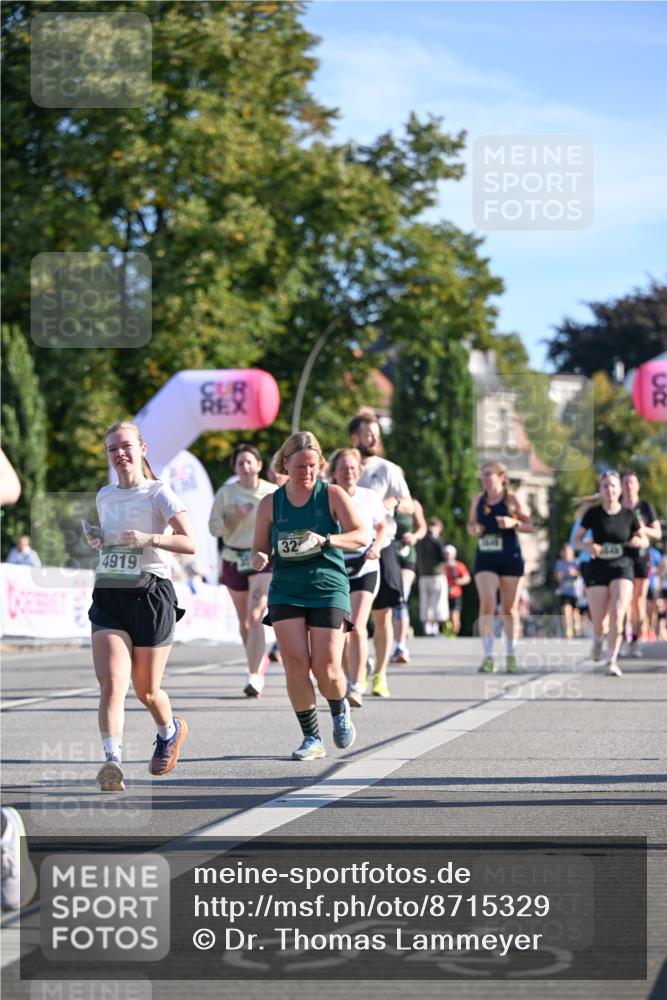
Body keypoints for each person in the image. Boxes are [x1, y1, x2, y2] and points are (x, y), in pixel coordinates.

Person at [85, 421, 196, 792]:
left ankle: (169, 729)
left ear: (142, 448)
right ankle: (112, 762)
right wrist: (101, 542)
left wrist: (150, 538)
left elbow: (190, 542)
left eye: (126, 446)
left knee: (146, 691)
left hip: (151, 594)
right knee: (112, 682)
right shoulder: (105, 496)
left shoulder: (158, 493)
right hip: (111, 591)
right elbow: (116, 543)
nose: (120, 454)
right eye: (112, 449)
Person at [251, 431, 366, 759]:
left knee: (326, 667)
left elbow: (360, 535)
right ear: (285, 463)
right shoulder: (271, 503)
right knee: (296, 664)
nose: (307, 472)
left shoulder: (331, 495)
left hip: (328, 587)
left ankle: (339, 707)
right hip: (286, 588)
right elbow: (258, 549)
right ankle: (311, 738)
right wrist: (258, 557)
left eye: (313, 466)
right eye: (300, 466)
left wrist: (327, 540)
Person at [348, 410, 409, 698]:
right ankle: (356, 671)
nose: (372, 438)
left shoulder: (388, 469)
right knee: (348, 617)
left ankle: (381, 673)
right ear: (354, 437)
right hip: (348, 548)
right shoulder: (343, 466)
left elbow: (408, 502)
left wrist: (392, 501)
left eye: (376, 434)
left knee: (383, 614)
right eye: (367, 433)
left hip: (381, 546)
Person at [209, 444, 277, 697]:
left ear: (259, 465)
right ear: (235, 468)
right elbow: (214, 528)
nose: (246, 467)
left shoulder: (272, 492)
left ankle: (254, 675)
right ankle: (258, 661)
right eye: (240, 464)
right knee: (245, 621)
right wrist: (234, 519)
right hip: (233, 557)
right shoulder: (226, 494)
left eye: (250, 462)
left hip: (263, 557)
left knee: (257, 612)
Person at [328, 447, 388, 708]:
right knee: (342, 629)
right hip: (338, 566)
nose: (348, 472)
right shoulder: (327, 496)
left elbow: (382, 525)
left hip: (366, 565)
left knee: (358, 625)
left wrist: (376, 547)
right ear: (334, 473)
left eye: (352, 468)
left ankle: (357, 684)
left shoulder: (369, 496)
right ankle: (348, 676)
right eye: (343, 468)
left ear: (358, 471)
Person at [573, 470, 644, 676]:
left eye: (613, 485)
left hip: (623, 567)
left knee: (617, 613)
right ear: (600, 490)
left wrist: (638, 541)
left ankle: (611, 659)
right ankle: (597, 639)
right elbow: (576, 540)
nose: (609, 489)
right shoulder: (593, 514)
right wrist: (587, 546)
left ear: (619, 489)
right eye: (605, 486)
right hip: (598, 569)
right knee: (599, 621)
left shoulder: (629, 515)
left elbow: (643, 539)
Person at [468, 461, 533, 673]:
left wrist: (513, 523)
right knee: (487, 603)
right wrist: (474, 528)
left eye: (490, 475)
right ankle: (488, 656)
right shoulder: (478, 499)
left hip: (510, 557)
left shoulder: (512, 499)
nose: (485, 479)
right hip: (485, 557)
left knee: (509, 608)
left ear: (501, 477)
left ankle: (511, 653)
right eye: (483, 475)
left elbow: (529, 525)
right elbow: (471, 524)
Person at [621, 470, 662, 657]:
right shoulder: (616, 506)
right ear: (621, 486)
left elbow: (658, 534)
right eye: (626, 482)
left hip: (641, 558)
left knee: (638, 602)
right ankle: (621, 637)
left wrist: (641, 529)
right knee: (622, 600)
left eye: (632, 482)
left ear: (637, 486)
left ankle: (635, 640)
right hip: (620, 559)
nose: (629, 486)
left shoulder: (645, 507)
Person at [390, 493, 426, 663]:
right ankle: (388, 642)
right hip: (386, 554)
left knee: (401, 596)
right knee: (386, 603)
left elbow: (422, 527)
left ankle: (400, 646)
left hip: (406, 555)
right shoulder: (382, 500)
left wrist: (415, 536)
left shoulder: (413, 503)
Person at [416, 518, 449, 635]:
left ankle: (427, 627)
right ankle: (433, 628)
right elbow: (444, 555)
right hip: (436, 575)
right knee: (436, 601)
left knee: (425, 601)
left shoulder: (420, 539)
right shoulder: (436, 539)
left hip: (423, 575)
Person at [554, 543, 581, 639]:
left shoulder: (577, 562)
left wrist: (575, 573)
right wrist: (559, 576)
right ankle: (568, 631)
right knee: (566, 611)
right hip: (564, 591)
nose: (567, 554)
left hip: (576, 592)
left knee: (575, 613)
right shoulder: (560, 563)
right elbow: (556, 576)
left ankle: (576, 628)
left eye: (569, 552)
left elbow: (582, 575)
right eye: (565, 552)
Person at [443, 545, 471, 636]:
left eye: (449, 554)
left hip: (455, 595)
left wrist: (458, 581)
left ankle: (454, 635)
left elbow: (467, 578)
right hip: (443, 595)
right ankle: (447, 634)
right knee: (444, 617)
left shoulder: (459, 565)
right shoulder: (442, 566)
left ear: (453, 555)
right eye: (445, 554)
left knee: (454, 617)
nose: (447, 556)